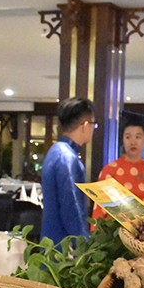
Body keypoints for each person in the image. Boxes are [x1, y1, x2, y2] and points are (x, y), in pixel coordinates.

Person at [41, 97, 94, 244]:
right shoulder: (68, 158)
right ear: (85, 125)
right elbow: (72, 209)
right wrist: (83, 246)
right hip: (64, 246)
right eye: (93, 125)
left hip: (51, 238)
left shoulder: (56, 151)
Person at [92, 120, 144, 219]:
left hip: (143, 231)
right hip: (113, 231)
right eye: (128, 137)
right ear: (123, 140)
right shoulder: (110, 170)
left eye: (138, 137)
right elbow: (99, 209)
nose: (133, 142)